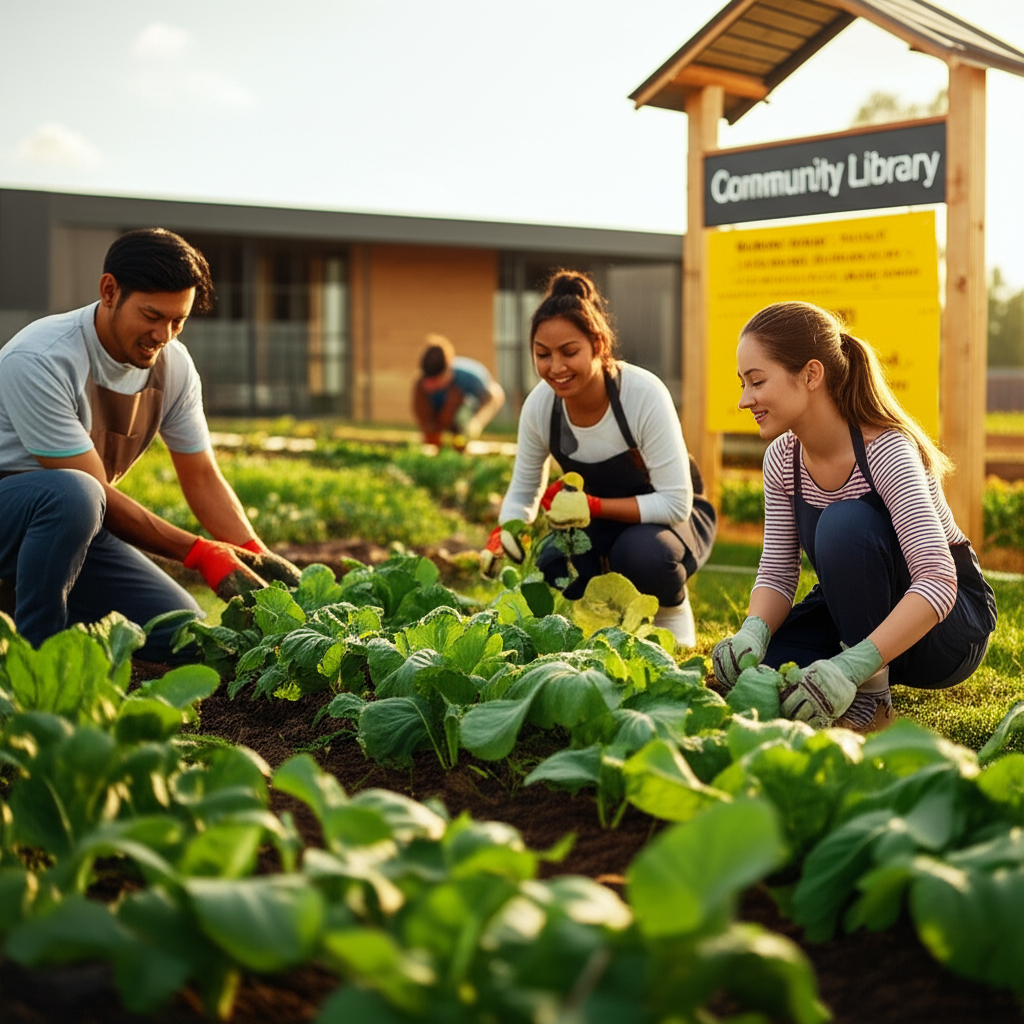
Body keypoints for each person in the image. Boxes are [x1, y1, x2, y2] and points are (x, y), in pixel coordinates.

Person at [0, 228, 299, 662]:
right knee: (73, 494)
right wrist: (198, 553)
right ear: (109, 291)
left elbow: (201, 476)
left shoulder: (173, 367)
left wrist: (254, 554)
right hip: (25, 512)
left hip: (73, 530)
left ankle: (35, 611)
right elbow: (93, 490)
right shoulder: (42, 358)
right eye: (152, 315)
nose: (165, 334)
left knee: (185, 635)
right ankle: (36, 662)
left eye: (179, 320)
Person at [713, 301, 997, 732]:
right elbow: (776, 572)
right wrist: (751, 633)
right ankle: (851, 670)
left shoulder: (886, 450)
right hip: (857, 614)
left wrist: (852, 669)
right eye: (743, 384)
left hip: (946, 631)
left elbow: (938, 579)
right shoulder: (781, 459)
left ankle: (872, 701)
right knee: (762, 674)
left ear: (810, 375)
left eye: (756, 381)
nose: (743, 400)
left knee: (844, 524)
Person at [485, 270, 716, 646]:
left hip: (669, 520)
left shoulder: (641, 394)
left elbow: (676, 501)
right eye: (543, 355)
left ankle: (674, 619)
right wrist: (506, 533)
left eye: (569, 352)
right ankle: (608, 628)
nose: (555, 367)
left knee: (641, 555)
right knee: (554, 559)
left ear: (598, 345)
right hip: (598, 521)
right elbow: (524, 491)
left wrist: (591, 504)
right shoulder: (541, 408)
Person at [412, 335, 505, 449]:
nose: (432, 386)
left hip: (463, 415)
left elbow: (495, 396)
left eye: (437, 381)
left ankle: (461, 449)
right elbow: (423, 415)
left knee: (463, 415)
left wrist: (477, 422)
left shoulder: (471, 376)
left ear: (448, 370)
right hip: (437, 419)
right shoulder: (421, 384)